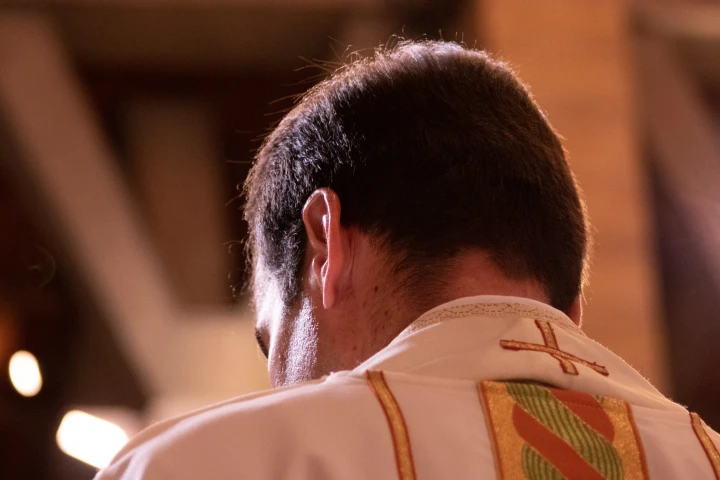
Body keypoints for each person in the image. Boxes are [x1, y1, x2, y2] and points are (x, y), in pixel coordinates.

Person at [97, 40, 720, 479]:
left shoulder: (202, 467)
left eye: (272, 344)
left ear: (326, 243)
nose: (277, 385)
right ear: (569, 317)